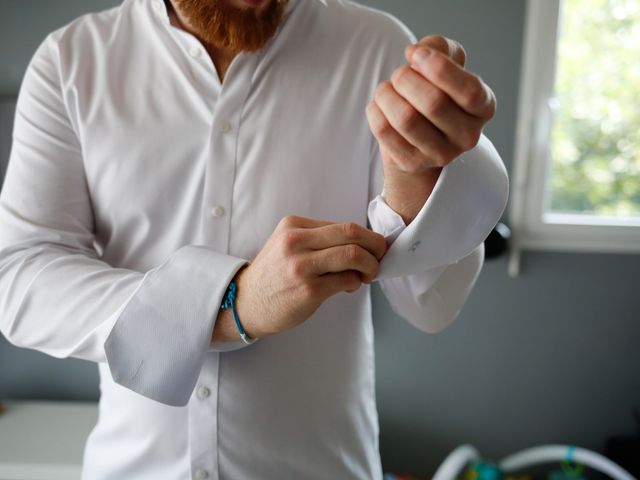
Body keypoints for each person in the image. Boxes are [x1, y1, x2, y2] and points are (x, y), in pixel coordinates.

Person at [0, 0, 508, 478]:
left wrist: (418, 178)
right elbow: (21, 278)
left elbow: (431, 305)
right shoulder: (70, 62)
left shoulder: (374, 47)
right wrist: (229, 306)